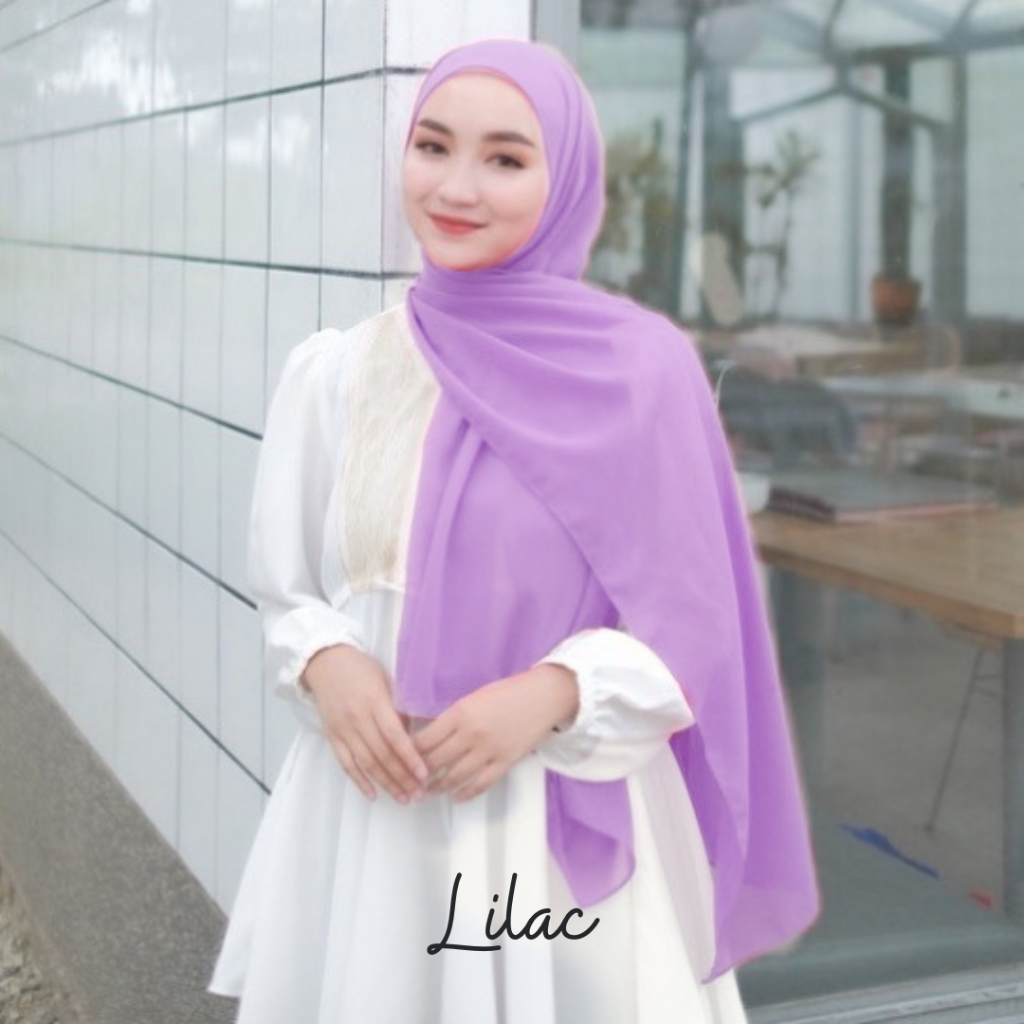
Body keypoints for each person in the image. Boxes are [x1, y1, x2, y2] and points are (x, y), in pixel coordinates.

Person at [207, 37, 819, 1024]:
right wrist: (325, 660)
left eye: (505, 158)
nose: (456, 187)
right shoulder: (341, 372)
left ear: (563, 179)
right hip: (377, 814)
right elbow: (287, 589)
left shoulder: (639, 375)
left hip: (555, 820)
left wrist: (552, 692)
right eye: (433, 146)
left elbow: (694, 631)